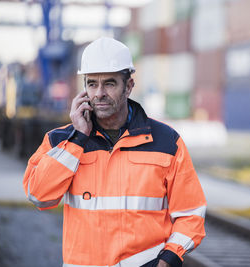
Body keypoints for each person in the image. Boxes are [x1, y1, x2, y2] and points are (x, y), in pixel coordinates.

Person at [23, 37, 207, 267]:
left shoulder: (166, 142)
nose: (99, 93)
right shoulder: (60, 140)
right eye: (92, 84)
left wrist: (168, 258)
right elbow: (39, 196)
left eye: (109, 84)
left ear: (128, 86)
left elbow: (191, 213)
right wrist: (78, 139)